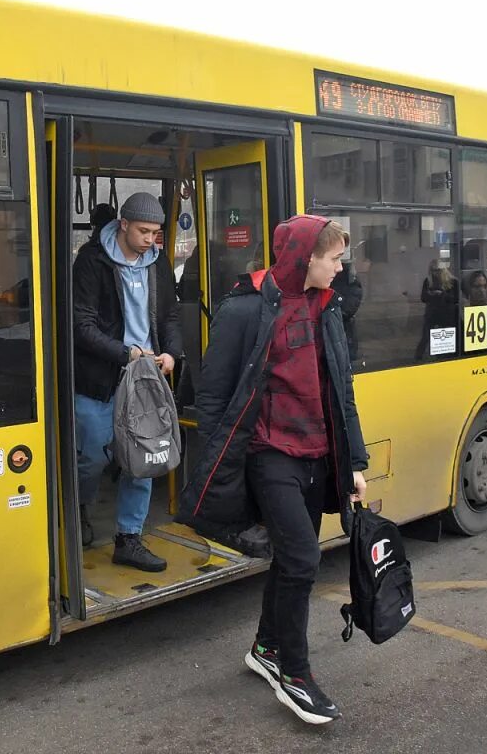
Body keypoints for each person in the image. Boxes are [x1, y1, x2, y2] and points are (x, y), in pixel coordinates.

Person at [178, 214, 368, 724]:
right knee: (304, 560)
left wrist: (356, 461)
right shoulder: (244, 308)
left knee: (290, 560)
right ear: (307, 259)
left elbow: (340, 387)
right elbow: (214, 395)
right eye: (334, 258)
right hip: (269, 453)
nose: (341, 266)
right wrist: (219, 468)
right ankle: (294, 675)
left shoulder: (327, 306)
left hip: (317, 456)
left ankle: (265, 648)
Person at [72, 192, 183, 571]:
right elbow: (81, 327)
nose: (151, 240)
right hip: (100, 377)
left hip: (146, 378)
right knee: (92, 454)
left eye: (156, 233)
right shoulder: (92, 262)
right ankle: (79, 508)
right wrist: (127, 353)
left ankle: (129, 537)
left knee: (145, 456)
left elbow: (169, 315)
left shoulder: (158, 263)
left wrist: (171, 352)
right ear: (123, 225)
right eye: (143, 231)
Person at [415, 258, 458, 360]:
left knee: (447, 337)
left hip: (447, 315)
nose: (436, 273)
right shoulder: (428, 281)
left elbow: (456, 299)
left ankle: (447, 356)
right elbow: (423, 298)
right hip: (432, 314)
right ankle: (418, 357)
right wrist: (433, 295)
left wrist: (442, 295)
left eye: (438, 270)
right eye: (433, 270)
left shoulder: (453, 282)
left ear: (444, 270)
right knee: (426, 337)